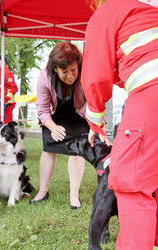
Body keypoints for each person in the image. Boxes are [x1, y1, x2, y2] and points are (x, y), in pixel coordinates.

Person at [81, 0, 158, 249]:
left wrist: (96, 121)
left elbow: (95, 74)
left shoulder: (110, 10)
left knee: (131, 183)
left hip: (150, 96)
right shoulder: (147, 14)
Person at [30, 42, 89, 209]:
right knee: (48, 150)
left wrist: (98, 126)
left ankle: (74, 195)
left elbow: (93, 102)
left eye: (74, 70)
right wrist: (52, 127)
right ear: (55, 68)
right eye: (65, 72)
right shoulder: (45, 77)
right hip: (53, 116)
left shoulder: (86, 73)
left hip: (77, 115)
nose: (71, 76)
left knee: (76, 152)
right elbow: (42, 108)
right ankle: (43, 191)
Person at [0, 56, 18, 124]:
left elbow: (14, 88)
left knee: (5, 127)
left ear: (3, 62)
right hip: (1, 105)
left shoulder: (6, 73)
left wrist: (5, 99)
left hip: (6, 105)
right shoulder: (1, 74)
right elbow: (1, 92)